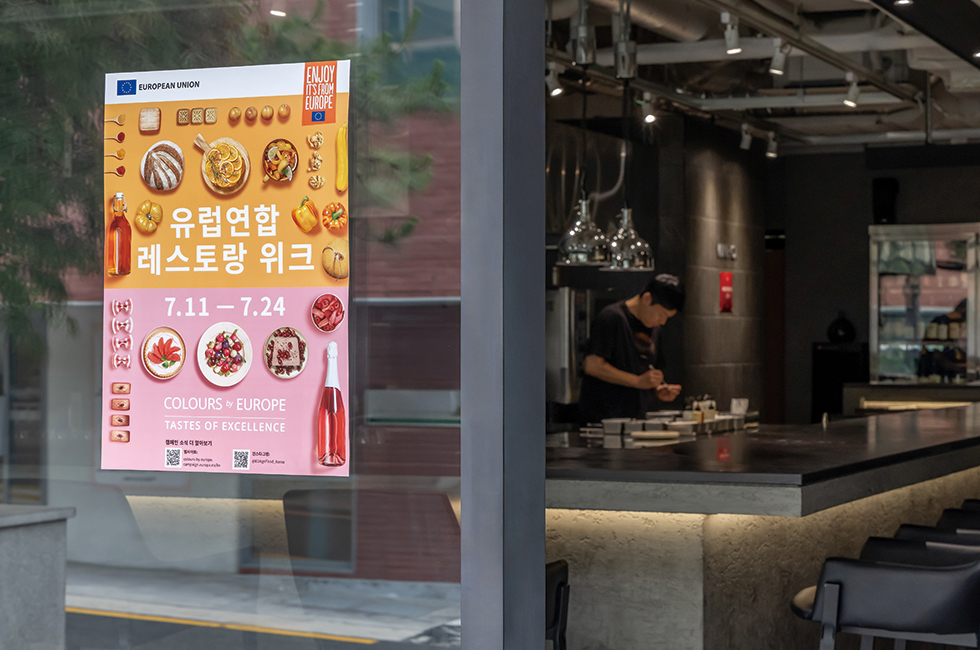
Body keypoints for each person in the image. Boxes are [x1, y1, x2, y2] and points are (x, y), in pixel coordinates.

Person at [578, 274, 684, 424]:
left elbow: (643, 368)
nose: (663, 321)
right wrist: (638, 381)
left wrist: (656, 388)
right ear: (647, 298)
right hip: (604, 421)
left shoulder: (654, 329)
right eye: (661, 314)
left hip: (635, 419)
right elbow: (592, 365)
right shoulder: (612, 317)